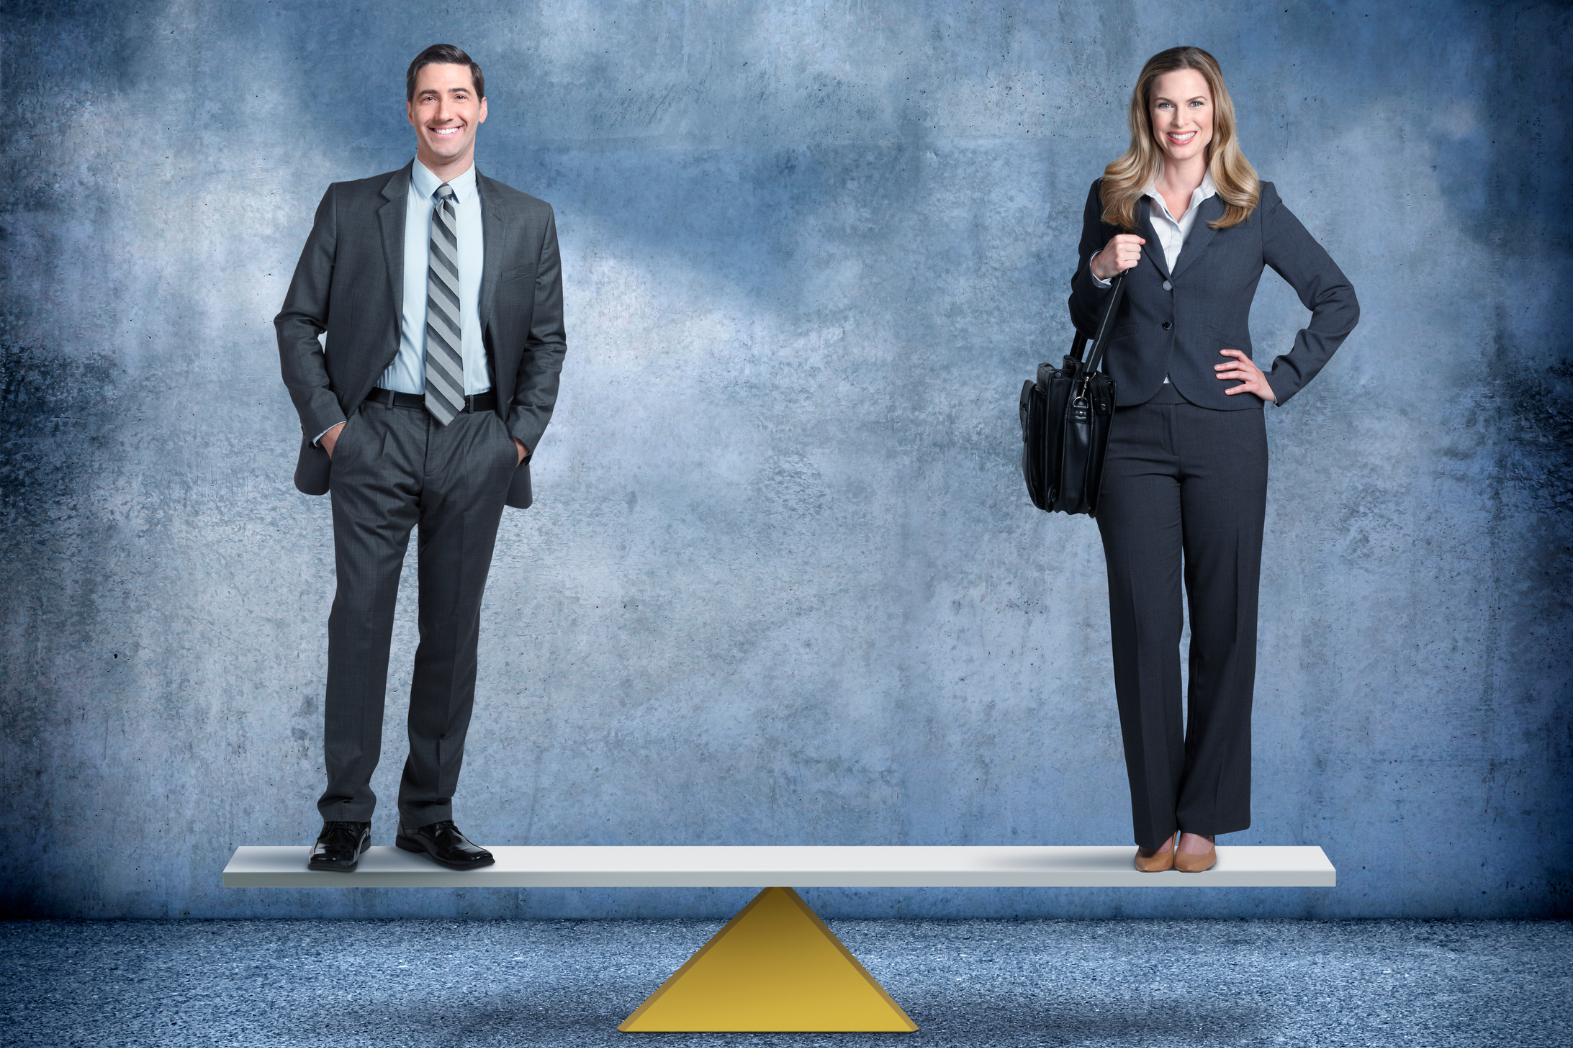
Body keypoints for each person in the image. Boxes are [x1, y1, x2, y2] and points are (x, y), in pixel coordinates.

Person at [275, 44, 566, 872]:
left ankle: (427, 815)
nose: (444, 112)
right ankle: (345, 818)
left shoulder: (526, 219)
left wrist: (515, 440)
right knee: (359, 621)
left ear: (482, 109)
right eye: (428, 98)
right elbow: (297, 322)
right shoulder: (349, 206)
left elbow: (547, 342)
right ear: (409, 111)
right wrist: (334, 428)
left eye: (459, 97)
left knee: (451, 632)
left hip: (477, 441)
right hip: (376, 435)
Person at [1068, 47, 1358, 873]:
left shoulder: (1251, 206)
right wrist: (1097, 267)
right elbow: (1084, 314)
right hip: (1129, 436)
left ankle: (1205, 820)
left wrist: (1282, 376)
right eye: (1165, 105)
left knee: (1224, 625)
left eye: (1195, 104)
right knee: (1144, 630)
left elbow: (1337, 298)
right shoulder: (1110, 198)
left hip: (1226, 434)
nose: (1181, 120)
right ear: (1145, 115)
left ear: (1216, 113)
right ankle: (1154, 824)